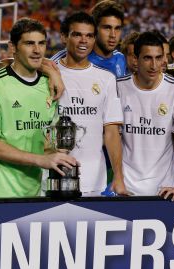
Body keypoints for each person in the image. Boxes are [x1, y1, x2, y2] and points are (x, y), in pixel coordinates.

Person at [0, 18, 77, 198]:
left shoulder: (49, 86)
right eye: (29, 43)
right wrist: (42, 160)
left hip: (31, 193)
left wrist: (59, 154)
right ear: (13, 47)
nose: (37, 50)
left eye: (41, 43)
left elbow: (47, 142)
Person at [54, 12, 127, 196]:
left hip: (94, 179)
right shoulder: (49, 75)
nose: (83, 41)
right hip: (53, 178)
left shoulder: (106, 79)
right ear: (64, 37)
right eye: (77, 34)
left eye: (89, 36)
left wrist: (118, 176)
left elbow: (111, 132)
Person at [117, 31, 174, 200]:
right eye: (147, 58)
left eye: (159, 58)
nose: (154, 65)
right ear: (135, 59)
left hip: (165, 188)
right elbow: (111, 136)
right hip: (127, 187)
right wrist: (118, 179)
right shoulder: (118, 88)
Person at [51, 0, 127, 78]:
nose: (113, 35)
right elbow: (47, 64)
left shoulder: (120, 58)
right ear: (94, 29)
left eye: (117, 28)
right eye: (107, 28)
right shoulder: (78, 56)